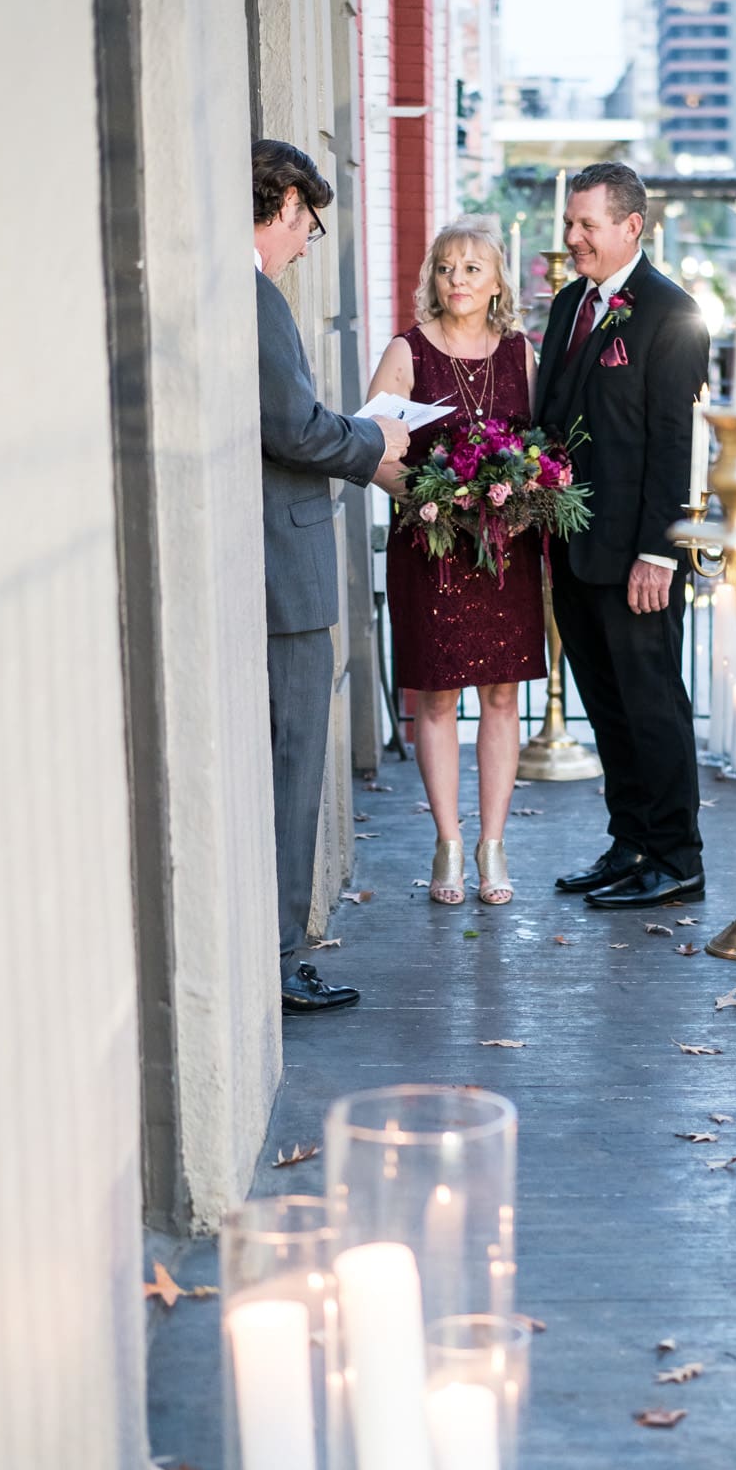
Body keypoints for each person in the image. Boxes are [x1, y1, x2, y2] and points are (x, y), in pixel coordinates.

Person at [254, 139, 409, 1011]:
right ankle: (279, 960)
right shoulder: (254, 295)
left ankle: (280, 950)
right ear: (280, 203)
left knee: (292, 766)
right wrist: (373, 444)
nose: (308, 241)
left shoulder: (249, 293)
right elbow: (296, 428)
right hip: (287, 574)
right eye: (307, 221)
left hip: (283, 564)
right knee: (292, 767)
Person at [534, 162, 709, 908]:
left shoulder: (672, 312)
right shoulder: (572, 300)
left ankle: (678, 858)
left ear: (630, 227)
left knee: (651, 703)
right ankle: (630, 842)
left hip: (637, 553)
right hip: (573, 545)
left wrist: (658, 553)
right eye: (569, 224)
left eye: (585, 226)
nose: (570, 239)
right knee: (604, 703)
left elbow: (676, 442)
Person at [365, 218, 543, 906]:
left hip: (505, 551)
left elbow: (540, 450)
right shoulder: (407, 352)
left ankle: (492, 847)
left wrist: (523, 497)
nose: (458, 280)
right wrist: (429, 498)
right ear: (431, 279)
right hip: (431, 549)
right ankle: (446, 844)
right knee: (435, 699)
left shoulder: (520, 353)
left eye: (472, 267)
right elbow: (372, 450)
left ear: (496, 279)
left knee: (502, 696)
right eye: (445, 267)